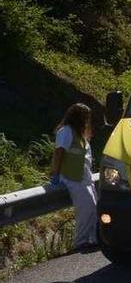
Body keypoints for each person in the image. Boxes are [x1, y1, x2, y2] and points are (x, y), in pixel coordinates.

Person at [50, 103, 98, 251]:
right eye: (85, 118)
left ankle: (93, 239)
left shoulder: (80, 134)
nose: (87, 121)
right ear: (77, 117)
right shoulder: (66, 132)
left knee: (94, 208)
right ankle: (80, 241)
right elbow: (59, 153)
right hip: (72, 177)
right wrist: (56, 174)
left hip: (83, 177)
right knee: (86, 208)